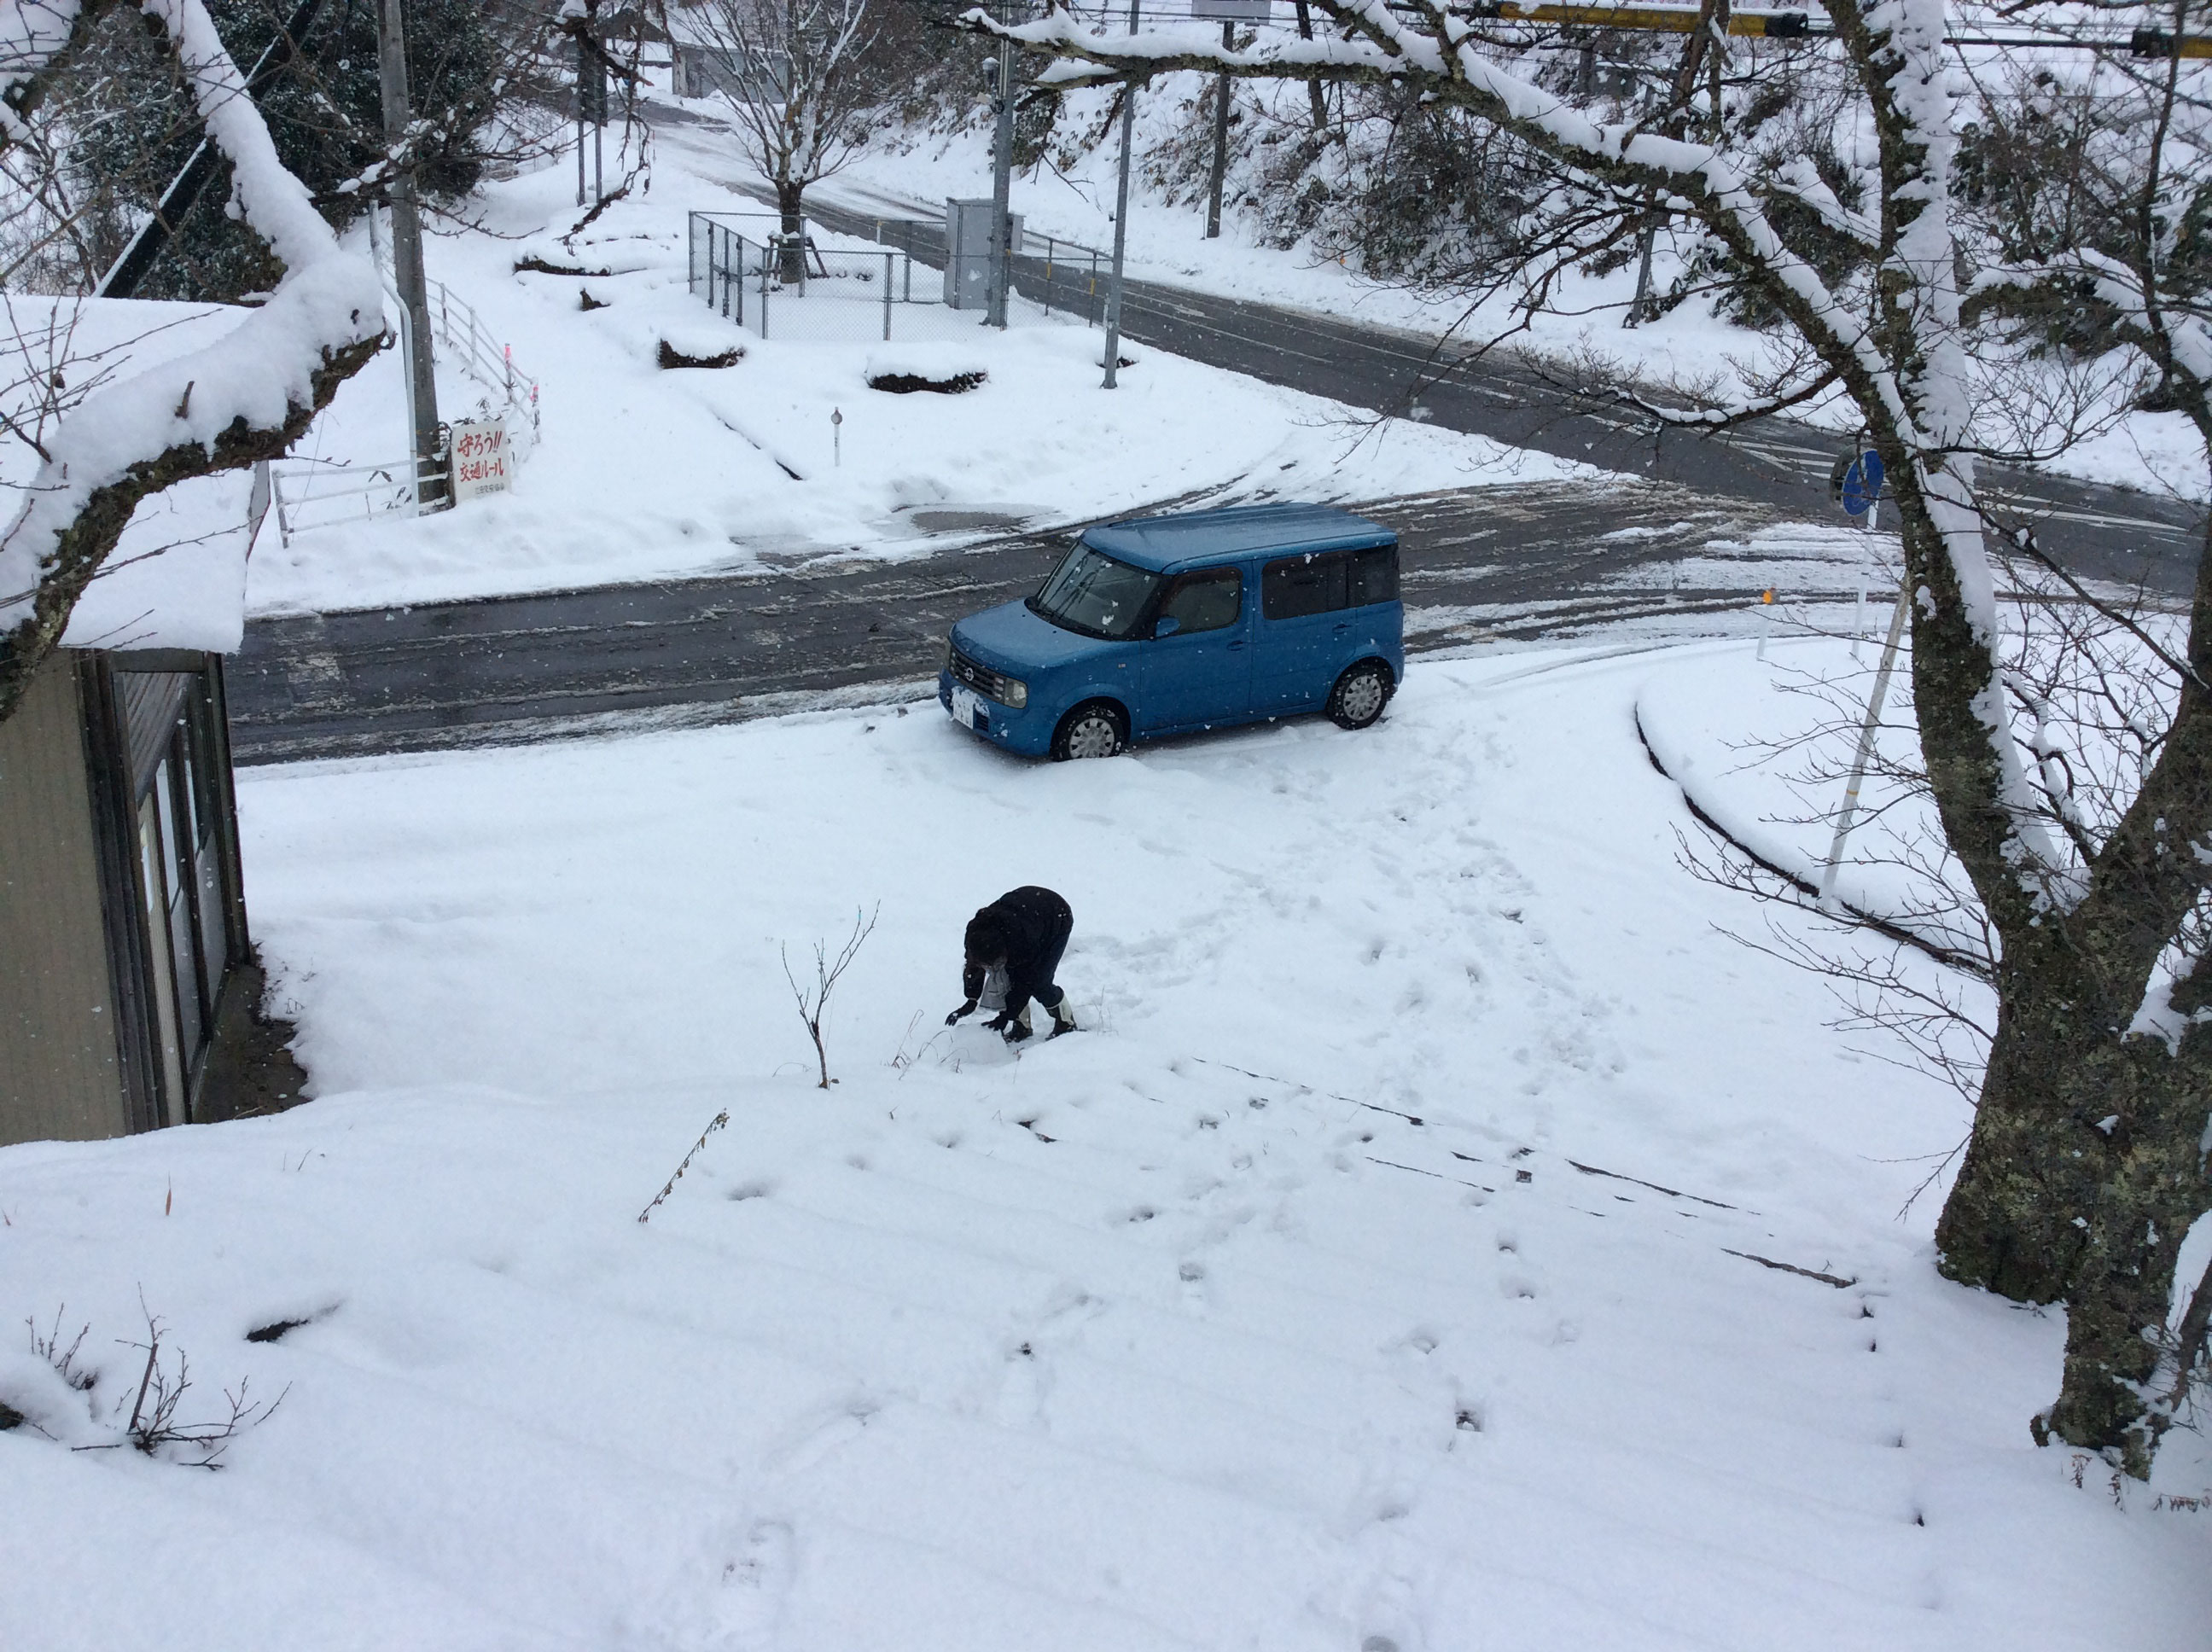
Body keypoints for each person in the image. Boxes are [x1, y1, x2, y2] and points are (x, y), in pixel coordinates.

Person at [946, 886, 1078, 1043]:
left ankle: (1066, 1023)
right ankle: (1022, 1027)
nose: (991, 970)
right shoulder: (975, 936)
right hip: (1025, 910)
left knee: (1039, 983)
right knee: (1008, 978)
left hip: (1056, 916)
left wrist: (1005, 1016)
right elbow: (973, 965)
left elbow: (1026, 982)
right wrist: (971, 999)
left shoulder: (1022, 941)